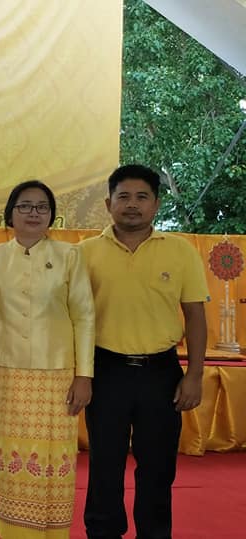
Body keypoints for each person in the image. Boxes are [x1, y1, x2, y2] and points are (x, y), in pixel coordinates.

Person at [80, 165, 208, 539]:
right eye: (123, 197)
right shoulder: (84, 253)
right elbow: (71, 317)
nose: (132, 205)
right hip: (106, 370)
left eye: (142, 197)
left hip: (161, 373)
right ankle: (103, 532)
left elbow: (195, 315)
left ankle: (154, 532)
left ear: (156, 204)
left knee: (158, 466)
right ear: (108, 204)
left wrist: (194, 375)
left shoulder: (180, 252)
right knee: (105, 465)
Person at [0, 180, 95, 538]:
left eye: (42, 207)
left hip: (58, 374)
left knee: (55, 459)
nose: (33, 213)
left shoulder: (70, 256)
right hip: (4, 375)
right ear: (10, 213)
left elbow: (84, 315)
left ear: (51, 215)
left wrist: (84, 375)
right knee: (10, 460)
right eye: (24, 206)